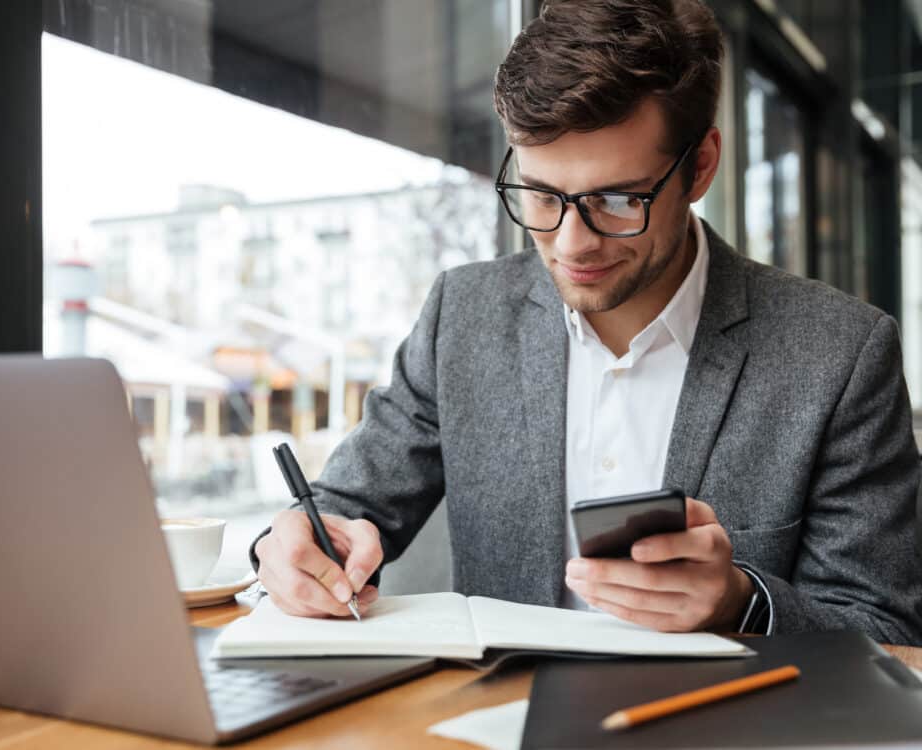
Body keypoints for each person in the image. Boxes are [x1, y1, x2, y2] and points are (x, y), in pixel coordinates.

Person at [249, 0, 922, 643]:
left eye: (618, 200)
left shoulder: (838, 354)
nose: (572, 244)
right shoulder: (463, 317)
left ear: (700, 167)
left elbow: (888, 630)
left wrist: (742, 603)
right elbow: (342, 510)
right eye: (541, 196)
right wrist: (294, 549)